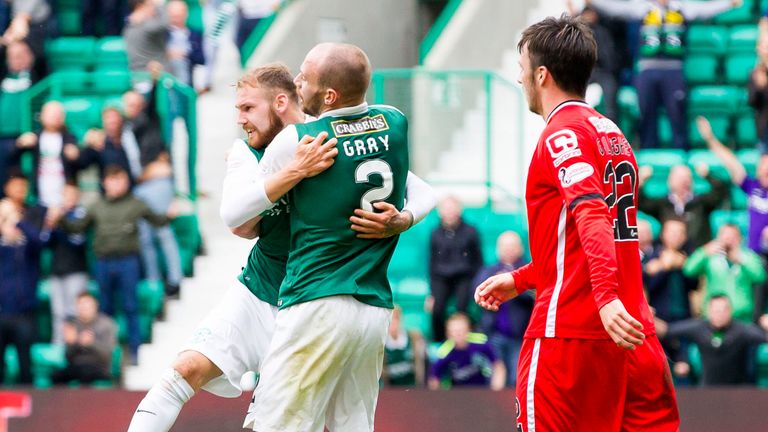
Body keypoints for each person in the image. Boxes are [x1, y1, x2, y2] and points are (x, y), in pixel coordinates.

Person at [127, 63, 435, 431]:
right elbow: (235, 218)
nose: (240, 119)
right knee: (183, 370)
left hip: (310, 305)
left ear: (281, 102)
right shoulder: (246, 153)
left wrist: (405, 217)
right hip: (259, 290)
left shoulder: (329, 139)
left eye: (247, 108)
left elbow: (419, 188)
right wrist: (294, 172)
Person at [474, 16, 679, 431]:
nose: (519, 79)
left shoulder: (560, 136)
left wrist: (603, 298)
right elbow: (593, 240)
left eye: (522, 69)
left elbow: (590, 214)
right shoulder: (613, 134)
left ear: (542, 75)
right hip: (636, 335)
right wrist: (524, 278)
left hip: (570, 335)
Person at [245, 43, 412, 432]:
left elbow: (240, 214)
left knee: (274, 425)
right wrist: (404, 218)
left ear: (329, 95)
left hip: (314, 300)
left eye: (305, 75)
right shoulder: (396, 122)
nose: (296, 80)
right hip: (372, 310)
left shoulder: (300, 140)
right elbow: (421, 190)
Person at [56, 165, 177, 364]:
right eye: (111, 180)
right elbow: (77, 227)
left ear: (126, 182)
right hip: (103, 262)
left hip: (127, 261)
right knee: (105, 309)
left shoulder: (135, 203)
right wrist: (61, 216)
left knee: (131, 306)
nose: (115, 184)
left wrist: (170, 214)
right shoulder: (96, 205)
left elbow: (157, 220)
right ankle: (109, 353)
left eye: (119, 179)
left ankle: (134, 351)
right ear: (105, 182)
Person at [586, 0, 741, 149]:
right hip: (647, 70)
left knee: (677, 115)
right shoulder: (643, 7)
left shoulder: (682, 7)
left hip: (674, 70)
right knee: (646, 115)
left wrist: (729, 3)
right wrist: (592, 2)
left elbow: (705, 10)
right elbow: (617, 8)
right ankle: (648, 152)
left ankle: (681, 153)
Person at [123, 85, 184, 297]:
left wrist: (154, 81)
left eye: (136, 103)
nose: (132, 107)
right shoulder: (126, 129)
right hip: (138, 186)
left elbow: (152, 106)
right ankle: (154, 282)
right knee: (145, 237)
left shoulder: (148, 122)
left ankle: (175, 281)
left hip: (156, 185)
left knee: (163, 232)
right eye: (128, 104)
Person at [656, 295, 768, 385]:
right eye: (715, 310)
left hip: (737, 391)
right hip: (707, 390)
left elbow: (764, 337)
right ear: (709, 311)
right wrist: (646, 315)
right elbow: (667, 330)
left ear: (730, 311)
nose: (719, 314)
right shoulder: (699, 327)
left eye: (723, 310)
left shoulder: (741, 330)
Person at [0, 171, 47, 385]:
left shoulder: (27, 238)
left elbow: (39, 243)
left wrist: (19, 221)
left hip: (24, 311)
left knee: (26, 367)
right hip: (1, 311)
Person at [698, 115, 768, 257]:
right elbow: (732, 163)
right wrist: (710, 138)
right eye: (762, 167)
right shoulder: (753, 187)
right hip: (755, 256)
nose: (765, 170)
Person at [476, 231, 533, 387]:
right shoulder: (489, 270)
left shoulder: (529, 269)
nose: (508, 250)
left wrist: (514, 283)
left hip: (520, 336)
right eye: (504, 246)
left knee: (517, 378)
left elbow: (535, 295)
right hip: (494, 334)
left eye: (512, 246)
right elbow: (477, 292)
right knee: (494, 378)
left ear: (520, 248)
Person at [683, 223, 766, 323]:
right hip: (713, 316)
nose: (728, 240)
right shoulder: (710, 256)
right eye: (725, 236)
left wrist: (742, 260)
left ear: (740, 239)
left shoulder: (748, 256)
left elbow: (760, 277)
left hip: (742, 317)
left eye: (733, 236)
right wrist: (703, 252)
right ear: (718, 237)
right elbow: (688, 270)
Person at [429, 195, 484, 341]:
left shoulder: (471, 231)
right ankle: (439, 341)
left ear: (459, 210)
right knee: (437, 309)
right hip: (441, 278)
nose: (449, 212)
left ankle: (464, 340)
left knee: (462, 308)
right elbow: (432, 264)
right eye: (446, 209)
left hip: (464, 277)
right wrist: (432, 294)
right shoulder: (435, 233)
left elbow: (478, 261)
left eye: (452, 208)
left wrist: (478, 285)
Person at [638, 163, 729, 249]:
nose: (683, 181)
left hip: (697, 253)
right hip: (669, 256)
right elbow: (640, 202)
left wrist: (707, 175)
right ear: (670, 180)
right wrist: (641, 180)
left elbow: (721, 193)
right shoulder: (663, 203)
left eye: (686, 178)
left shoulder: (701, 202)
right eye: (679, 178)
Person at [10, 101, 81, 208]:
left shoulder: (70, 138)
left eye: (59, 114)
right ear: (42, 116)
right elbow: (11, 157)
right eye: (52, 114)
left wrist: (76, 156)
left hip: (65, 201)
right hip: (40, 198)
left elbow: (82, 164)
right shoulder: (35, 137)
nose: (56, 117)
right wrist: (20, 143)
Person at [46, 184, 89, 346]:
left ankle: (76, 346)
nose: (67, 199)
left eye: (71, 195)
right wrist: (50, 226)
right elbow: (46, 243)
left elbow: (77, 240)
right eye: (65, 195)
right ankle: (59, 345)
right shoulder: (56, 216)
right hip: (57, 271)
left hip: (76, 270)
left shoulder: (81, 214)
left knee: (74, 311)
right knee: (58, 312)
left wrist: (61, 220)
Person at [52, 292, 118, 385]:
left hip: (99, 366)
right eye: (81, 306)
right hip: (76, 366)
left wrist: (92, 344)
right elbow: (67, 357)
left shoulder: (106, 324)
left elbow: (107, 355)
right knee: (56, 376)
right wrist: (73, 343)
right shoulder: (73, 325)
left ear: (95, 305)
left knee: (86, 373)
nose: (84, 309)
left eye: (87, 306)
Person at [428, 313, 506, 390]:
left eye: (461, 331)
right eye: (454, 331)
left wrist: (495, 389)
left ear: (468, 330)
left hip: (482, 392)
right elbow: (434, 379)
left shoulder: (480, 343)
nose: (458, 334)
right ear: (448, 334)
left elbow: (498, 366)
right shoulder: (444, 352)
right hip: (457, 395)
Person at [644, 218, 698, 324]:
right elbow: (649, 287)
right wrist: (665, 266)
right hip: (658, 315)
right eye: (672, 232)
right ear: (662, 234)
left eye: (680, 232)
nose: (676, 236)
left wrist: (684, 265)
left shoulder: (687, 258)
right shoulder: (651, 256)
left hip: (684, 314)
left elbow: (694, 285)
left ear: (685, 237)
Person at [382, 306, 426, 387]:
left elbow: (422, 366)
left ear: (399, 320)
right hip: (391, 392)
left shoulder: (414, 338)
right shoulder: (381, 344)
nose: (392, 323)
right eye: (388, 320)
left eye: (395, 319)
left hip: (412, 389)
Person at [166, 0, 205, 88]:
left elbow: (202, 59)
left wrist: (185, 54)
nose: (176, 17)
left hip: (187, 73)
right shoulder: (162, 34)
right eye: (173, 14)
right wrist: (168, 53)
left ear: (186, 13)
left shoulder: (194, 34)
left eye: (179, 14)